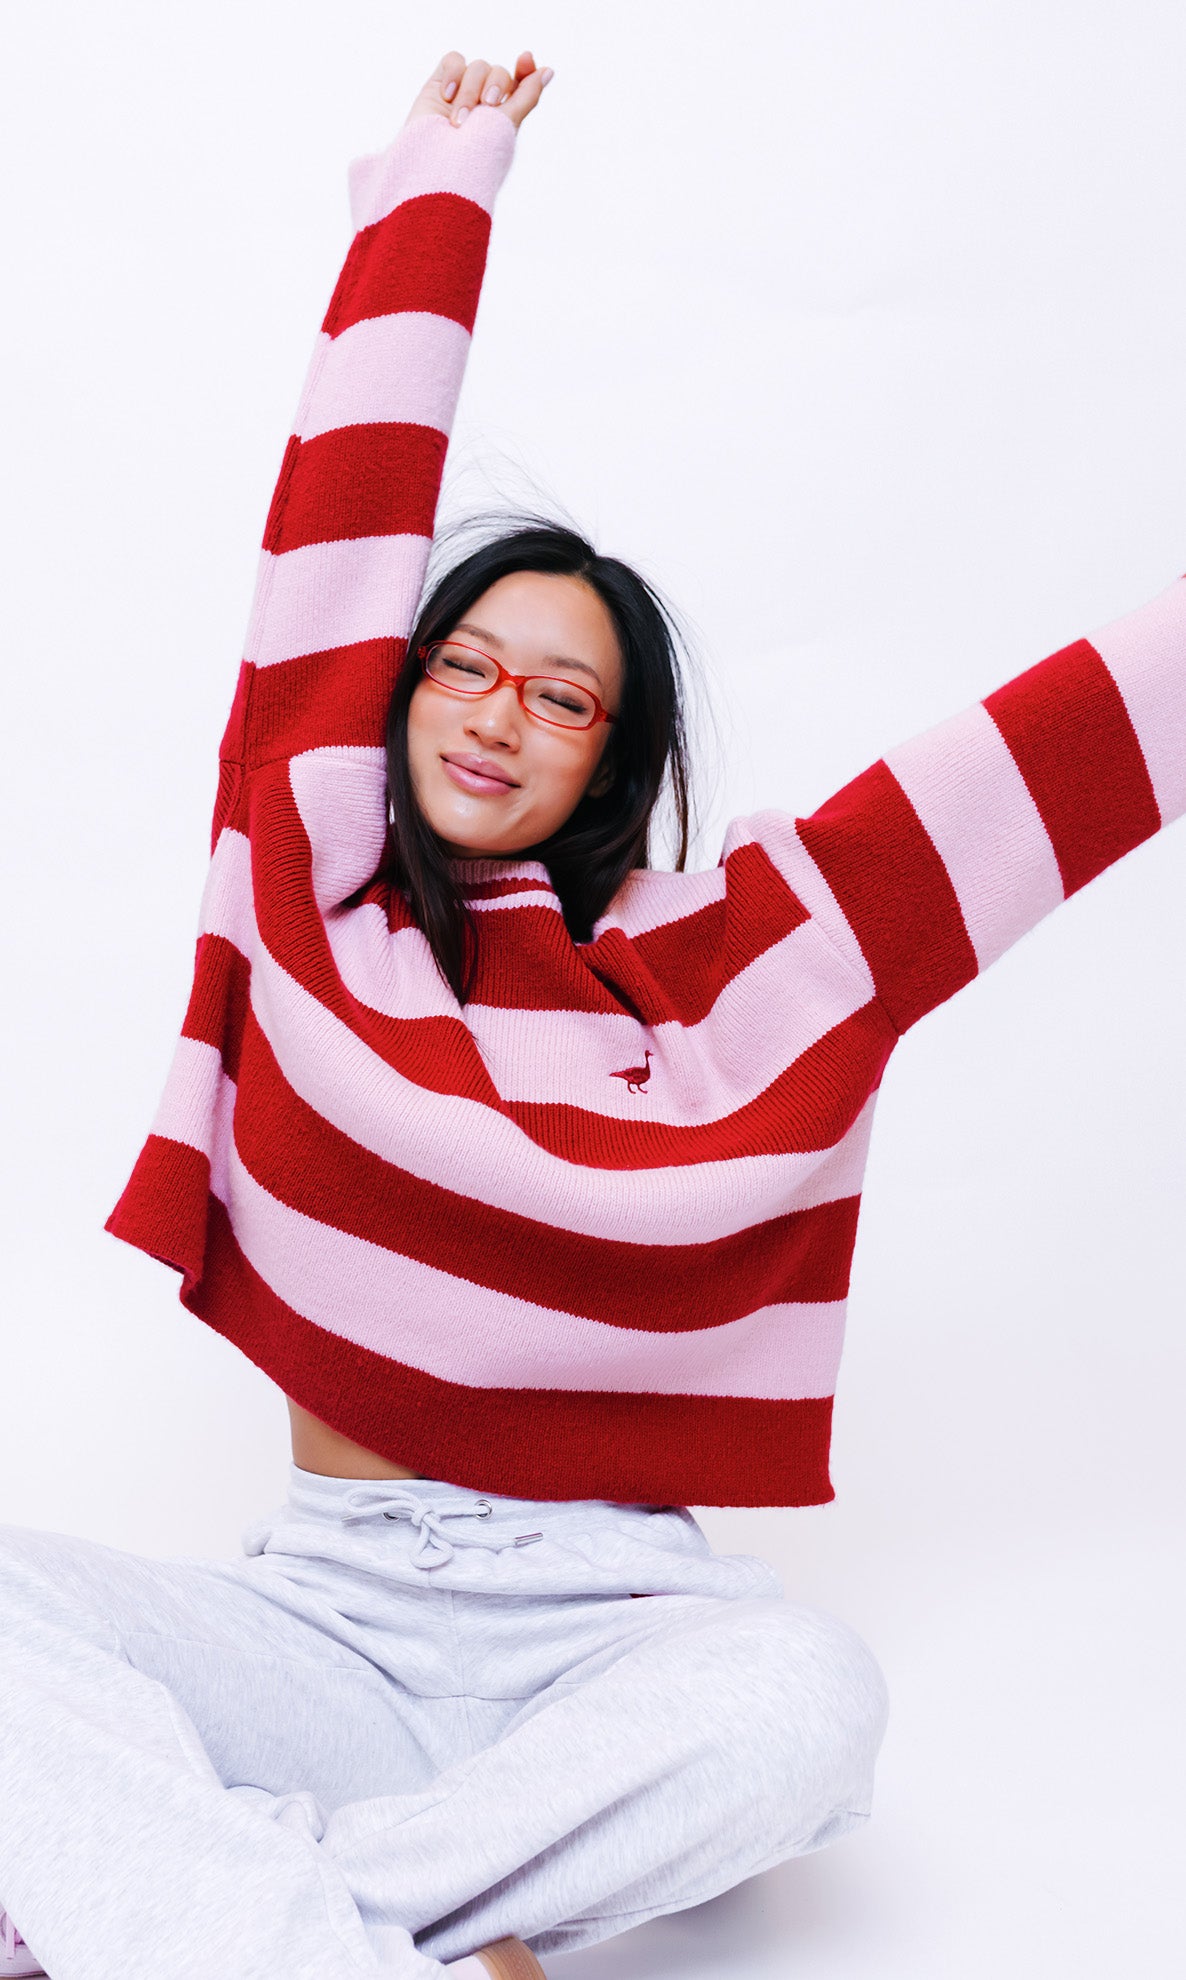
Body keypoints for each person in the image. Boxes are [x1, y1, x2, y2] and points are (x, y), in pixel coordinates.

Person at [1, 41, 1183, 1980]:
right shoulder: (315, 903)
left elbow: (1025, 772)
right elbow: (330, 544)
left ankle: (241, 1912)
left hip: (610, 1638)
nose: (498, 714)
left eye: (560, 697)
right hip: (324, 1620)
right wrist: (436, 197)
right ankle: (369, 1929)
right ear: (398, 694)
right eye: (462, 666)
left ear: (607, 759)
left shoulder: (717, 969)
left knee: (807, 1699)